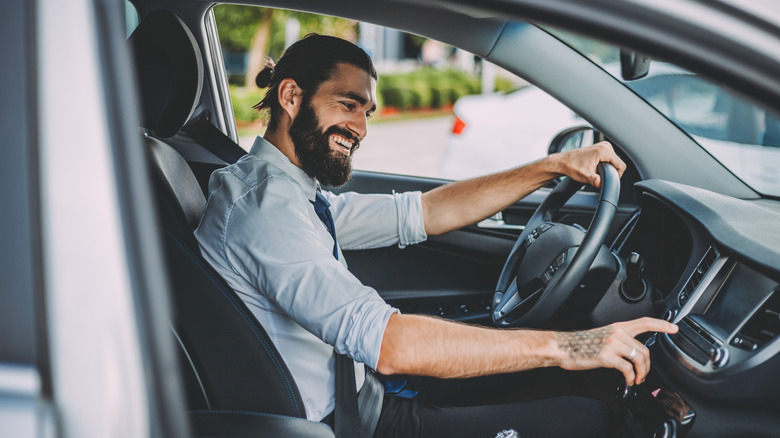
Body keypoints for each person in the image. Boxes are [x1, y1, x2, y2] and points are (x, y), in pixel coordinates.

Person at [194, 34, 678, 438]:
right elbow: (390, 343)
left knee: (570, 385)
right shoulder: (263, 211)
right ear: (292, 97)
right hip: (352, 423)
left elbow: (424, 212)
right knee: (588, 420)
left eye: (368, 112)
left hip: (367, 395)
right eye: (348, 105)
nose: (361, 128)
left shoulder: (292, 194)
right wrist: (572, 346)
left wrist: (552, 167)